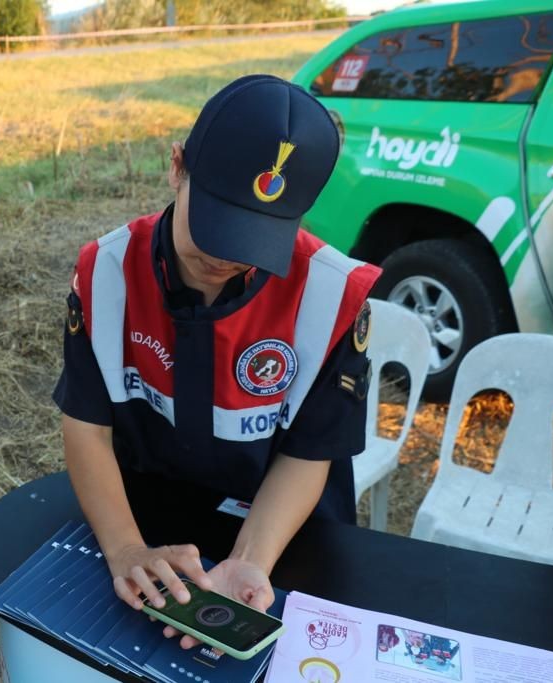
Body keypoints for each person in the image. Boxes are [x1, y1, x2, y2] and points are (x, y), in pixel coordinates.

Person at [54, 74, 381, 649]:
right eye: (218, 224)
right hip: (147, 518)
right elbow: (86, 426)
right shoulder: (106, 274)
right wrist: (127, 547)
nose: (227, 256)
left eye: (257, 236)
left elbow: (310, 453)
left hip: (286, 535)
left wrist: (251, 559)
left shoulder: (330, 296)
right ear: (177, 166)